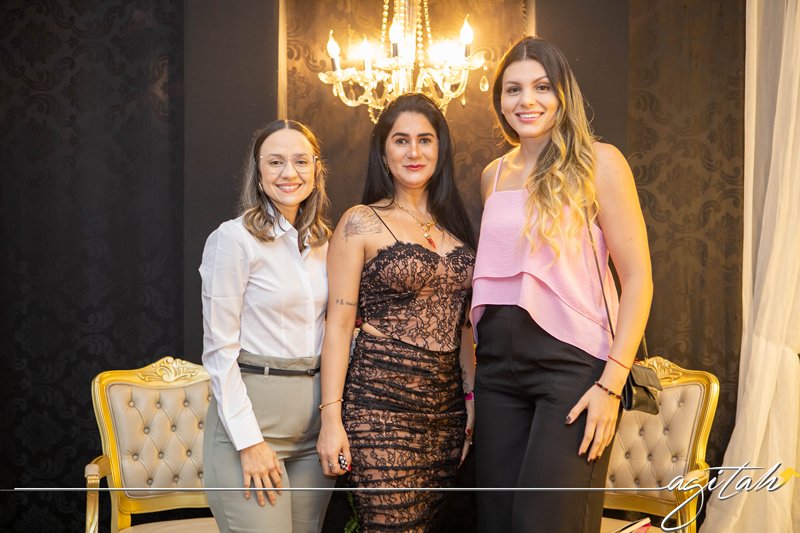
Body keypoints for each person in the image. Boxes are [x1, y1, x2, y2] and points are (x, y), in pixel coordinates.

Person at [471, 37, 653, 532]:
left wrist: (611, 385)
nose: (526, 100)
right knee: (496, 522)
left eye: (541, 87)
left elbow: (638, 278)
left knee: (546, 523)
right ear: (500, 100)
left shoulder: (599, 161)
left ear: (562, 94)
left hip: (572, 367)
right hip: (497, 370)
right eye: (513, 89)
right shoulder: (493, 175)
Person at [316, 93, 477, 532]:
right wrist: (331, 418)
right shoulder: (361, 221)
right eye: (401, 140)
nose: (413, 151)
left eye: (425, 140)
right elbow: (338, 326)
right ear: (383, 153)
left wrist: (471, 401)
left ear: (440, 150)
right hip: (380, 405)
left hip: (446, 412)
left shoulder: (457, 228)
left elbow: (464, 327)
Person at [200, 120, 336, 532]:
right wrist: (249, 442)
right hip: (254, 420)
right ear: (258, 172)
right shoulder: (233, 240)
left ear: (316, 169)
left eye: (300, 161)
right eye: (275, 162)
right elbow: (219, 352)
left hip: (315, 422)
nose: (289, 172)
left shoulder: (325, 242)